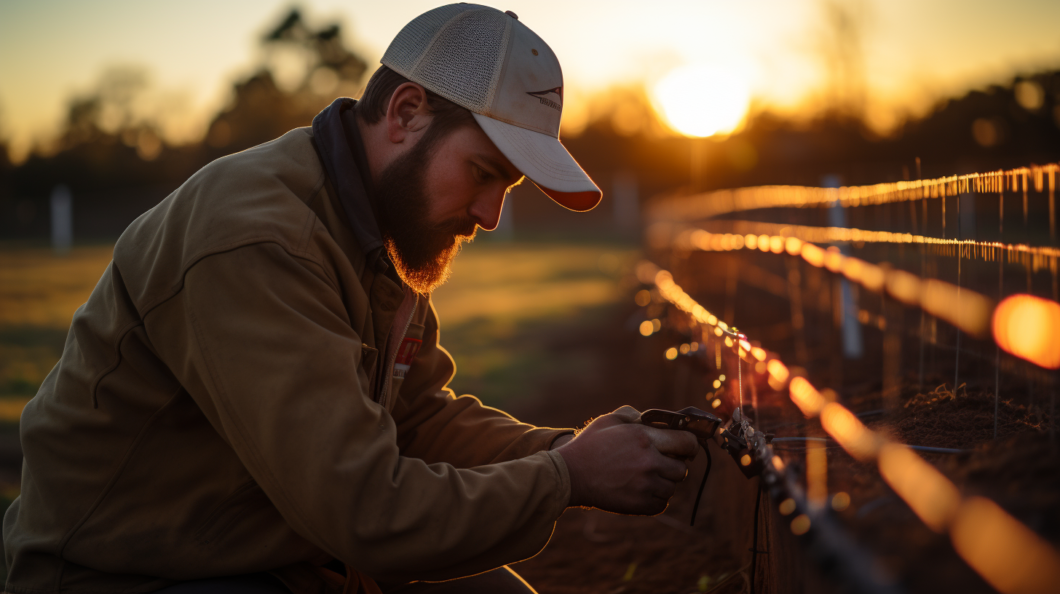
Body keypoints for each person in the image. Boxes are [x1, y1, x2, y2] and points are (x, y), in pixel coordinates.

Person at [3, 5, 698, 593]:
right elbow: (366, 512)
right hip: (126, 573)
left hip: (262, 545)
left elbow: (418, 420)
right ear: (405, 113)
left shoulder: (375, 228)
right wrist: (566, 477)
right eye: (485, 174)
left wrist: (570, 449)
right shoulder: (258, 238)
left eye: (507, 190)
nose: (489, 215)